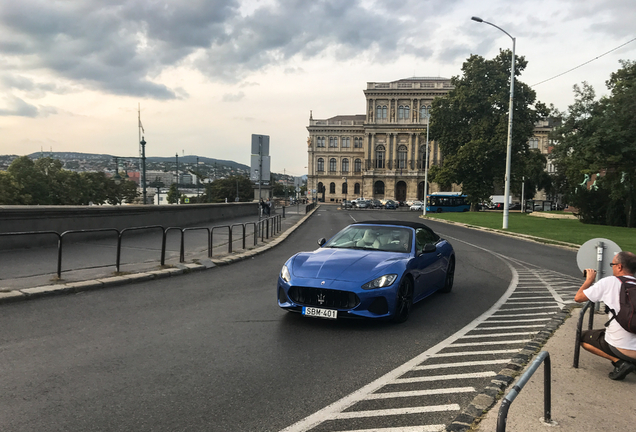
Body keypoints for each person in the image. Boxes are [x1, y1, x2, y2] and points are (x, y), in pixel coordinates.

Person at [574, 251, 636, 380]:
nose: (612, 267)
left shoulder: (610, 282)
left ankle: (620, 362)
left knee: (582, 336)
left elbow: (578, 298)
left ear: (619, 267)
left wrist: (589, 280)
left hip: (622, 348)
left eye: (612, 264)